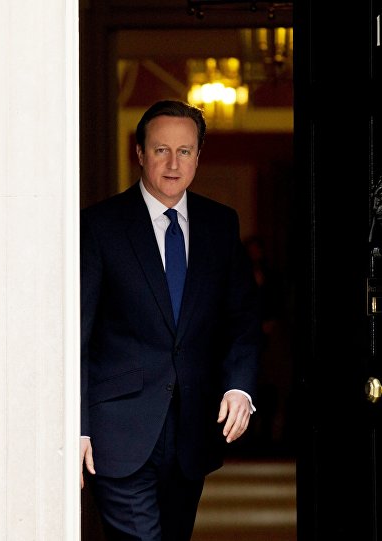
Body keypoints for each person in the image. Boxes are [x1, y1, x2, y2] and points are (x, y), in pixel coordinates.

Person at [79, 99, 262, 541]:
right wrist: (77, 427)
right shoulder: (99, 226)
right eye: (161, 150)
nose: (173, 163)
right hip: (116, 432)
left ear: (199, 157)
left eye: (185, 151)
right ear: (139, 153)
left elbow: (241, 319)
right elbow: (77, 335)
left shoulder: (221, 224)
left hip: (191, 432)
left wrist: (239, 386)